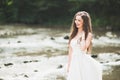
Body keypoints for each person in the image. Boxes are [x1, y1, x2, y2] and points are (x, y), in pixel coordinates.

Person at [67, 11, 102, 80]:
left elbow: (83, 48)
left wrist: (83, 36)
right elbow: (70, 51)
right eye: (76, 20)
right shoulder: (73, 34)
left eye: (79, 20)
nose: (76, 22)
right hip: (74, 62)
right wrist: (69, 65)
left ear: (84, 22)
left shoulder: (88, 34)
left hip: (83, 62)